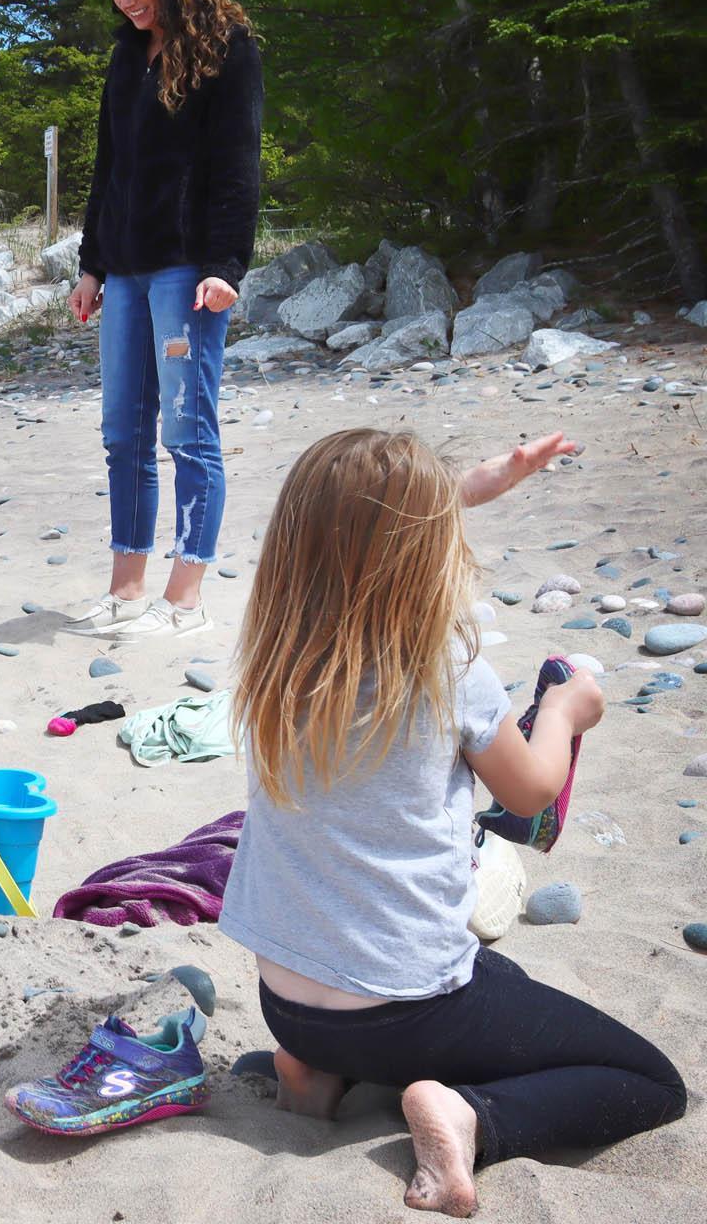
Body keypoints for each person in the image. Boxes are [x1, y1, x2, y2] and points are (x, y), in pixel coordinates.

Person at [219, 428, 685, 1216]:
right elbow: (532, 792)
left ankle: (314, 1072)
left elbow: (349, 530)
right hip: (404, 1012)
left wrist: (481, 484)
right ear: (423, 551)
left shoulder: (278, 648)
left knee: (507, 988)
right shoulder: (442, 667)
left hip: (287, 1001)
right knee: (649, 1081)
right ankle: (471, 1117)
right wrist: (567, 710)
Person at [64, 0, 262, 640]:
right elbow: (107, 168)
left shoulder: (229, 51)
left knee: (187, 431)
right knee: (122, 432)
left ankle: (185, 598)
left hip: (188, 274)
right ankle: (127, 590)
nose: (129, 2)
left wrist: (225, 266)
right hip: (125, 271)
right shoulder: (124, 56)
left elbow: (239, 169)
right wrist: (91, 266)